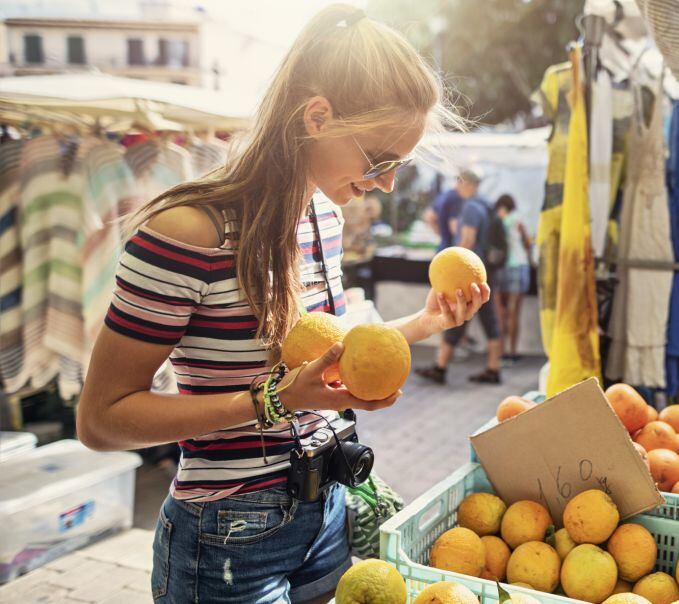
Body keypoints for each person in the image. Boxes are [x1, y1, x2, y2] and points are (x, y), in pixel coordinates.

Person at [75, 6, 489, 603]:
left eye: (401, 164)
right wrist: (274, 399)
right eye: (380, 161)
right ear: (318, 116)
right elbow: (101, 420)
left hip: (327, 514)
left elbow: (324, 356)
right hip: (228, 539)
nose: (389, 183)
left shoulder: (324, 214)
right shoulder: (189, 230)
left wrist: (426, 323)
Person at [416, 179, 504, 385]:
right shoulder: (485, 205)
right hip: (485, 272)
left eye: (460, 183)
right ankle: (493, 368)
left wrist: (450, 262)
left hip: (470, 275)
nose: (457, 188)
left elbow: (467, 242)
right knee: (489, 321)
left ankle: (441, 367)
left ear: (469, 185)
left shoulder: (471, 207)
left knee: (456, 318)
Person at [492, 194, 532, 364]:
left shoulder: (497, 219)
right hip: (519, 267)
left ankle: (500, 352)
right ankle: (512, 351)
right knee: (514, 312)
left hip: (501, 268)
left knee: (501, 313)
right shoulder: (517, 220)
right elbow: (528, 243)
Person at [424, 169, 480, 250]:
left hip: (443, 245)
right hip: (451, 247)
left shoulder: (446, 195)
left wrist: (442, 234)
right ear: (466, 183)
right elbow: (454, 227)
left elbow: (429, 216)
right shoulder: (457, 198)